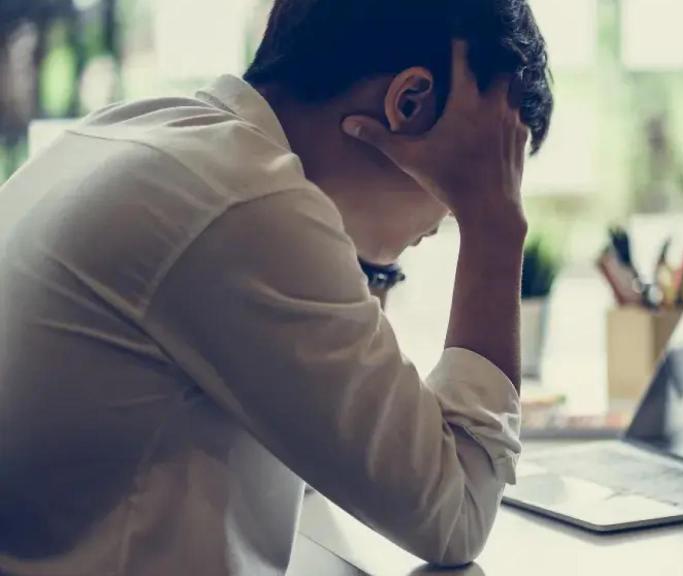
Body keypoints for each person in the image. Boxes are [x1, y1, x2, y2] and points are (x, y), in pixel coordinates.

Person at [0, 0, 553, 574]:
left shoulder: (142, 134)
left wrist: (373, 258)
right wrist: (496, 222)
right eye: (485, 167)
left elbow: (334, 457)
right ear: (408, 103)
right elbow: (456, 514)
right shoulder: (244, 201)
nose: (446, 223)